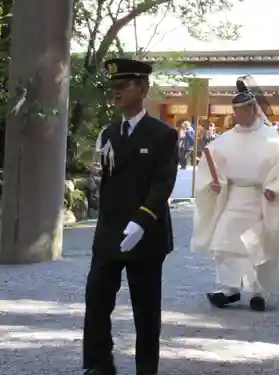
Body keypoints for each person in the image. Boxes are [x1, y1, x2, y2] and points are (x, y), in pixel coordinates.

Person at [83, 58, 178, 375]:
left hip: (145, 233)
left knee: (146, 310)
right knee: (96, 301)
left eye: (124, 85)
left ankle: (146, 369)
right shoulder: (109, 133)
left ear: (142, 88)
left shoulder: (162, 134)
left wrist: (141, 220)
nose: (116, 92)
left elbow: (162, 184)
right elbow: (105, 180)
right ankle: (99, 364)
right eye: (114, 86)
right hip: (110, 232)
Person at [190, 89, 279, 311]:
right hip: (233, 198)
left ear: (253, 110)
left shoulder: (271, 138)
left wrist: (275, 187)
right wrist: (214, 182)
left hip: (258, 199)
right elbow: (212, 162)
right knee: (224, 243)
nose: (239, 116)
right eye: (236, 112)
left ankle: (256, 292)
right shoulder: (226, 140)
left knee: (256, 247)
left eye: (243, 111)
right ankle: (229, 289)